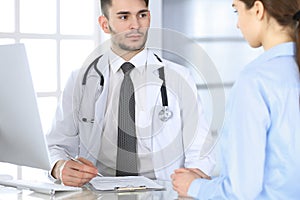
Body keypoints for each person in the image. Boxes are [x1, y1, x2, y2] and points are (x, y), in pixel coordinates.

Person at [46, 0, 215, 187]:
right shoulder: (81, 79)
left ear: (149, 18)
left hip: (161, 191)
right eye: (124, 17)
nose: (135, 25)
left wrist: (191, 186)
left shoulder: (179, 77)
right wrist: (59, 167)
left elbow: (200, 150)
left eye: (142, 15)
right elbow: (56, 145)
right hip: (98, 190)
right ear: (104, 24)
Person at [171, 0, 300, 199]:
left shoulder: (255, 81)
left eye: (236, 10)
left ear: (257, 9)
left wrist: (193, 187)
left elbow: (242, 192)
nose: (237, 24)